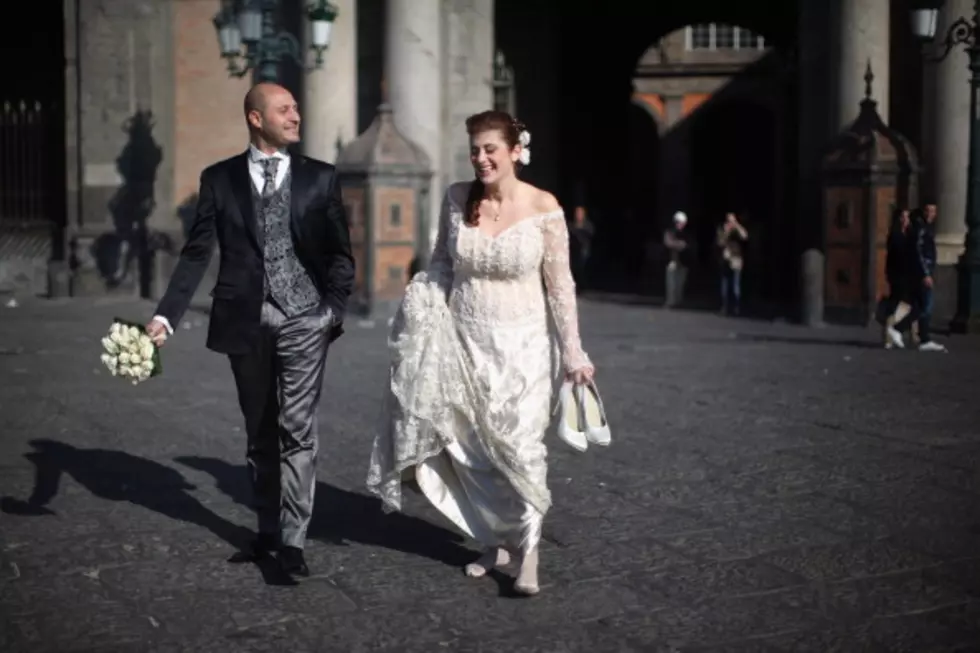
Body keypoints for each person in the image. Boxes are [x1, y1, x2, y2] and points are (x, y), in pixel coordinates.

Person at [367, 110, 594, 596]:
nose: (481, 158)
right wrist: (422, 303)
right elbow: (442, 265)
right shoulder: (456, 198)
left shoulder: (544, 207)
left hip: (524, 345)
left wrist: (573, 351)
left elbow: (561, 288)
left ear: (516, 150)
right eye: (474, 149)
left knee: (520, 446)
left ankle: (528, 555)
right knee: (470, 451)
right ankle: (493, 543)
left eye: (490, 148)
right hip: (462, 342)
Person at [145, 82, 355, 577]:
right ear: (255, 118)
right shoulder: (218, 179)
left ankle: (293, 540)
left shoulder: (319, 178)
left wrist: (332, 310)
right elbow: (198, 253)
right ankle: (266, 531)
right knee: (260, 431)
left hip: (305, 317)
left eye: (297, 107)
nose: (296, 115)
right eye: (285, 109)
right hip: (244, 317)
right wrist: (166, 316)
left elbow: (340, 254)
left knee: (297, 429)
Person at [888, 203, 948, 352]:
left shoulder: (922, 228)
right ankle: (903, 331)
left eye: (933, 211)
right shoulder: (921, 229)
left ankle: (916, 336)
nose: (931, 214)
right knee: (924, 307)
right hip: (920, 274)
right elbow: (919, 253)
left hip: (919, 273)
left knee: (918, 306)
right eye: (928, 211)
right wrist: (925, 274)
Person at [881, 208, 914, 348]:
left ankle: (894, 333)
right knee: (899, 304)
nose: (905, 220)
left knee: (903, 304)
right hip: (898, 275)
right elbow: (893, 258)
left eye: (907, 217)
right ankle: (890, 333)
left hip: (908, 275)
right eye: (902, 217)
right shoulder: (895, 236)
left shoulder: (909, 234)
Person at [716, 212, 748, 315]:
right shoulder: (722, 229)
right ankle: (724, 307)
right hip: (726, 258)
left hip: (736, 259)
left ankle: (736, 307)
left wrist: (737, 226)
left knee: (735, 285)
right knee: (725, 284)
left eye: (732, 220)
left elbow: (745, 236)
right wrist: (727, 231)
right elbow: (720, 242)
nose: (731, 223)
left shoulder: (738, 229)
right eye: (729, 220)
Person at [663, 211, 693, 308]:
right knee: (671, 283)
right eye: (678, 222)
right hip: (672, 260)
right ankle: (671, 301)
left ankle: (679, 301)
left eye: (682, 222)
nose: (680, 224)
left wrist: (678, 244)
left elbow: (688, 245)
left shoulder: (687, 233)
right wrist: (680, 244)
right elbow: (668, 243)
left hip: (683, 262)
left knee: (680, 283)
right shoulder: (669, 231)